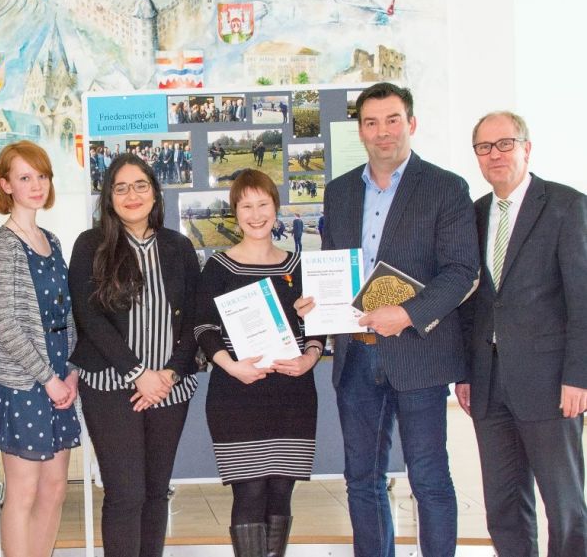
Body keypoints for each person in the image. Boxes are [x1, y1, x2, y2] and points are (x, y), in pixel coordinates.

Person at [295, 82, 479, 557]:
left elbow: (461, 270)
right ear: (359, 131)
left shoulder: (446, 187)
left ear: (411, 124)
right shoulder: (338, 192)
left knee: (429, 478)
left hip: (420, 355)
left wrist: (408, 314)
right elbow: (336, 267)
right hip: (356, 358)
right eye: (372, 123)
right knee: (361, 480)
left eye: (393, 120)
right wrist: (314, 301)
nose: (383, 132)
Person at [457, 111, 587, 556]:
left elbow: (583, 299)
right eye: (484, 147)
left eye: (505, 143)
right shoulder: (472, 215)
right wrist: (466, 375)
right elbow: (471, 303)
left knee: (564, 506)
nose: (495, 154)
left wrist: (579, 377)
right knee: (504, 507)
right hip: (489, 389)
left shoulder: (567, 206)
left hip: (551, 385)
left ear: (527, 148)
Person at [69, 153, 200, 557]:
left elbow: (195, 317)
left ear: (155, 193)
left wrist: (169, 375)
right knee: (126, 494)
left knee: (156, 493)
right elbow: (89, 317)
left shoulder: (178, 247)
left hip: (170, 389)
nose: (131, 195)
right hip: (112, 388)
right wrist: (139, 372)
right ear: (108, 197)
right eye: (120, 187)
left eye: (140, 185)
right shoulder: (92, 245)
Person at [195, 169, 323, 557]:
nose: (255, 214)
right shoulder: (219, 267)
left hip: (293, 394)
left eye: (262, 204)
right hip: (237, 394)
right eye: (245, 206)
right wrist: (230, 366)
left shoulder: (300, 264)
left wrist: (310, 357)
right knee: (249, 489)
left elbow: (320, 326)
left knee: (282, 488)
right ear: (235, 212)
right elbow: (203, 327)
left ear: (275, 208)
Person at [0, 141, 81, 557]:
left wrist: (72, 369)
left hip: (61, 373)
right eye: (24, 177)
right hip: (25, 381)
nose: (36, 185)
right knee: (22, 492)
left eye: (41, 175)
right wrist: (48, 378)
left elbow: (68, 309)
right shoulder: (3, 245)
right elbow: (2, 322)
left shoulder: (51, 240)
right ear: (6, 185)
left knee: (55, 490)